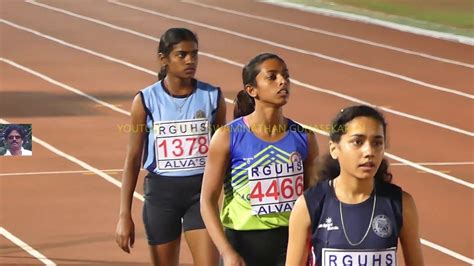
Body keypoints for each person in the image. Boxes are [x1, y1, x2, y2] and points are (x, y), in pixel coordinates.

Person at [115, 28, 226, 266]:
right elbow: (133, 158)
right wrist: (125, 215)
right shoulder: (145, 101)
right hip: (161, 195)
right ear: (163, 59)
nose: (190, 61)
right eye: (182, 55)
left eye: (194, 54)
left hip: (201, 194)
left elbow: (223, 154)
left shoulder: (213, 97)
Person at [201, 53, 319, 266]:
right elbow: (207, 201)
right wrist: (226, 251)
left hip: (290, 242)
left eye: (286, 76)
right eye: (272, 77)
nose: (283, 81)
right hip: (242, 243)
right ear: (251, 90)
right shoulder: (228, 137)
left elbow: (313, 198)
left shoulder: (305, 137)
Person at [286, 105, 424, 265]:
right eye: (358, 142)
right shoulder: (309, 204)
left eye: (377, 143)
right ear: (334, 148)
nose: (369, 151)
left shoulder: (400, 204)